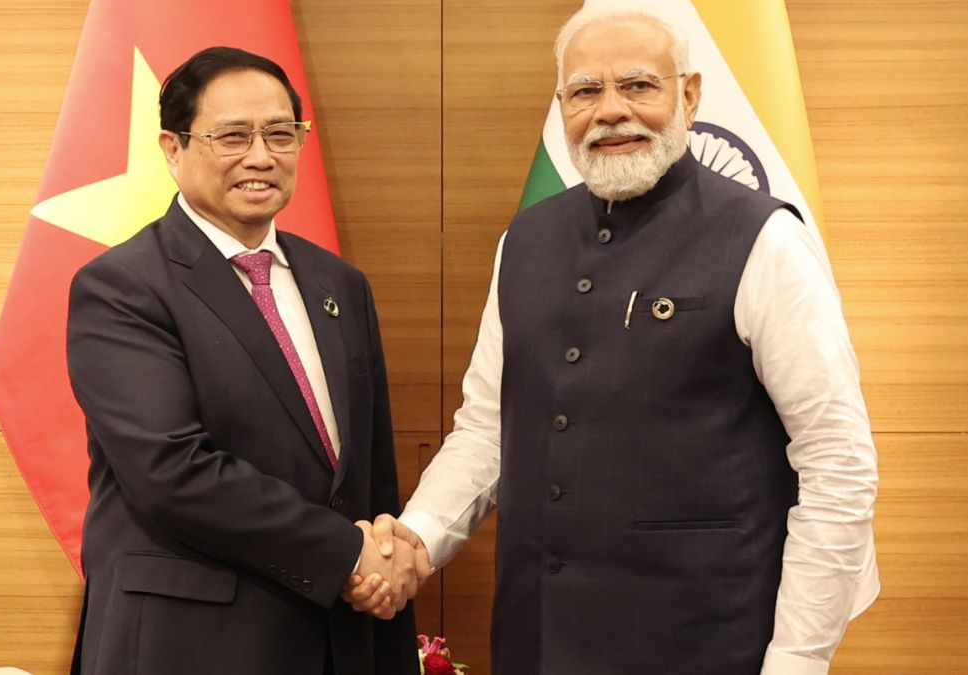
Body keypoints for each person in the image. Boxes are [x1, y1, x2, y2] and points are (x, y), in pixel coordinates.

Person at [354, 6, 880, 674]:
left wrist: (798, 660)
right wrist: (418, 538)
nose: (610, 111)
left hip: (707, 641)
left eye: (637, 86)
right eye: (585, 91)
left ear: (688, 95)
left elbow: (838, 465)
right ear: (562, 105)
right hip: (538, 639)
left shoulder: (764, 238)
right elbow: (488, 428)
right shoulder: (525, 241)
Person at [66, 46, 421, 675]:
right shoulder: (122, 286)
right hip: (193, 643)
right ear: (172, 148)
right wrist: (346, 554)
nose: (261, 156)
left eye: (281, 134)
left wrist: (384, 568)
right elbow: (172, 471)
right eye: (232, 135)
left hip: (340, 635)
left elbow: (368, 472)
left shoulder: (340, 283)